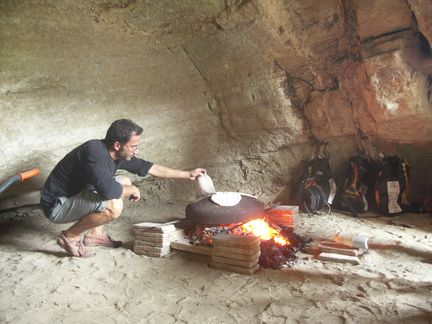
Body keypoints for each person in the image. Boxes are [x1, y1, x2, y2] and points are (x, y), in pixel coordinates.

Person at [40, 119, 206, 257]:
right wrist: (133, 189)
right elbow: (109, 192)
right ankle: (69, 237)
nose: (136, 150)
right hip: (57, 205)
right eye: (133, 146)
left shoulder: (117, 154)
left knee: (124, 180)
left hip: (76, 195)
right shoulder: (94, 152)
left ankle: (95, 235)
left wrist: (188, 174)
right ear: (118, 145)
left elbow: (150, 168)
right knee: (113, 206)